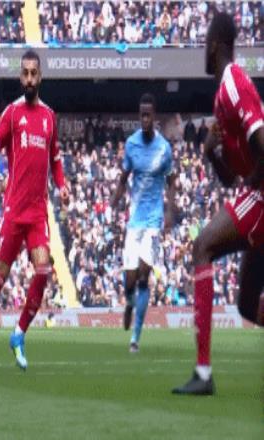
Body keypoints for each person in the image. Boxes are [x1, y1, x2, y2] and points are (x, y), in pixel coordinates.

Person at [173, 12, 263, 396]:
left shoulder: (234, 84)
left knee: (202, 246)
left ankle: (203, 372)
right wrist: (212, 154)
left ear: (214, 46)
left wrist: (253, 186)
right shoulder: (222, 95)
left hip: (262, 194)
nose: (202, 51)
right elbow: (230, 178)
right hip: (255, 191)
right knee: (246, 305)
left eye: (204, 43)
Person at [0, 49, 69, 373]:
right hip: (14, 211)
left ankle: (19, 333)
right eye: (24, 73)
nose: (28, 79)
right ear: (19, 77)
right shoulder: (12, 114)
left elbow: (55, 158)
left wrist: (62, 185)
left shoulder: (49, 117)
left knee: (44, 271)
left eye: (33, 73)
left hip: (38, 213)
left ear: (40, 77)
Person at [110, 93, 175, 353]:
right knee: (129, 281)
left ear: (154, 116)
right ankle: (129, 302)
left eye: (148, 115)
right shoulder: (132, 144)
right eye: (142, 115)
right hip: (134, 220)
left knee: (143, 278)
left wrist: (170, 211)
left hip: (153, 220)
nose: (145, 119)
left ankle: (135, 338)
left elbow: (172, 182)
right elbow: (123, 178)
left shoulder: (164, 148)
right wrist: (114, 200)